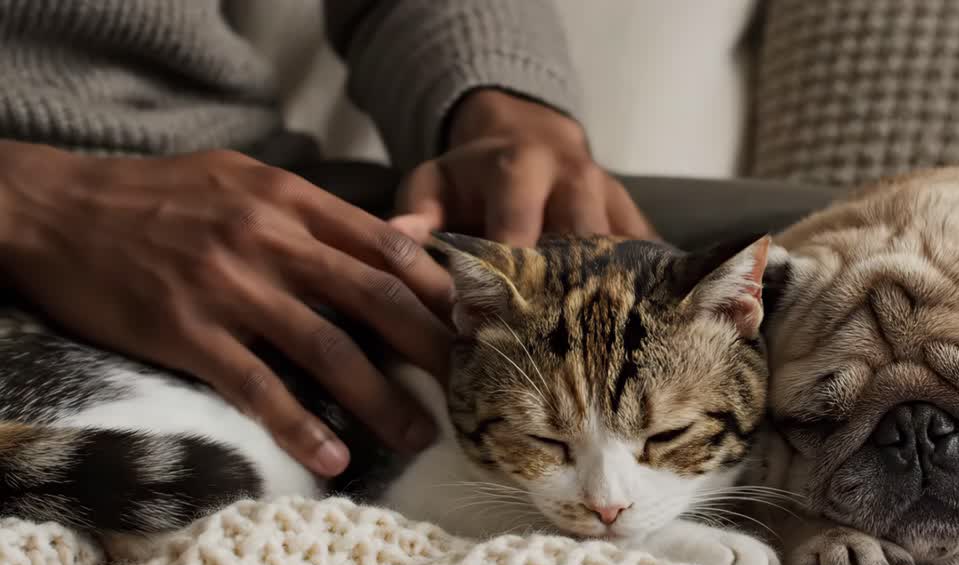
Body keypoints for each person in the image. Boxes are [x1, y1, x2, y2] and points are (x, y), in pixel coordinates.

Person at [0, 0, 660, 479]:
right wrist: (27, 199)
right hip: (36, 241)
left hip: (265, 189)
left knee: (760, 281)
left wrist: (503, 106)